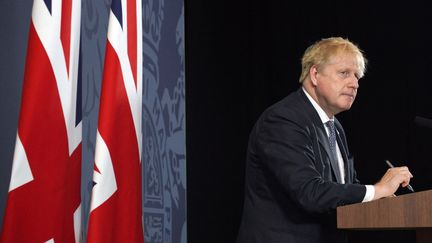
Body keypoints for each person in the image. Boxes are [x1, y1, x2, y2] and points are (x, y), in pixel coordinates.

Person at [236, 37, 413, 243]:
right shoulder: (282, 120)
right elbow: (310, 192)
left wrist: (379, 199)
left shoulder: (334, 126)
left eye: (357, 76)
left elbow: (343, 189)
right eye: (344, 73)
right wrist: (378, 189)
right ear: (315, 74)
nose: (354, 83)